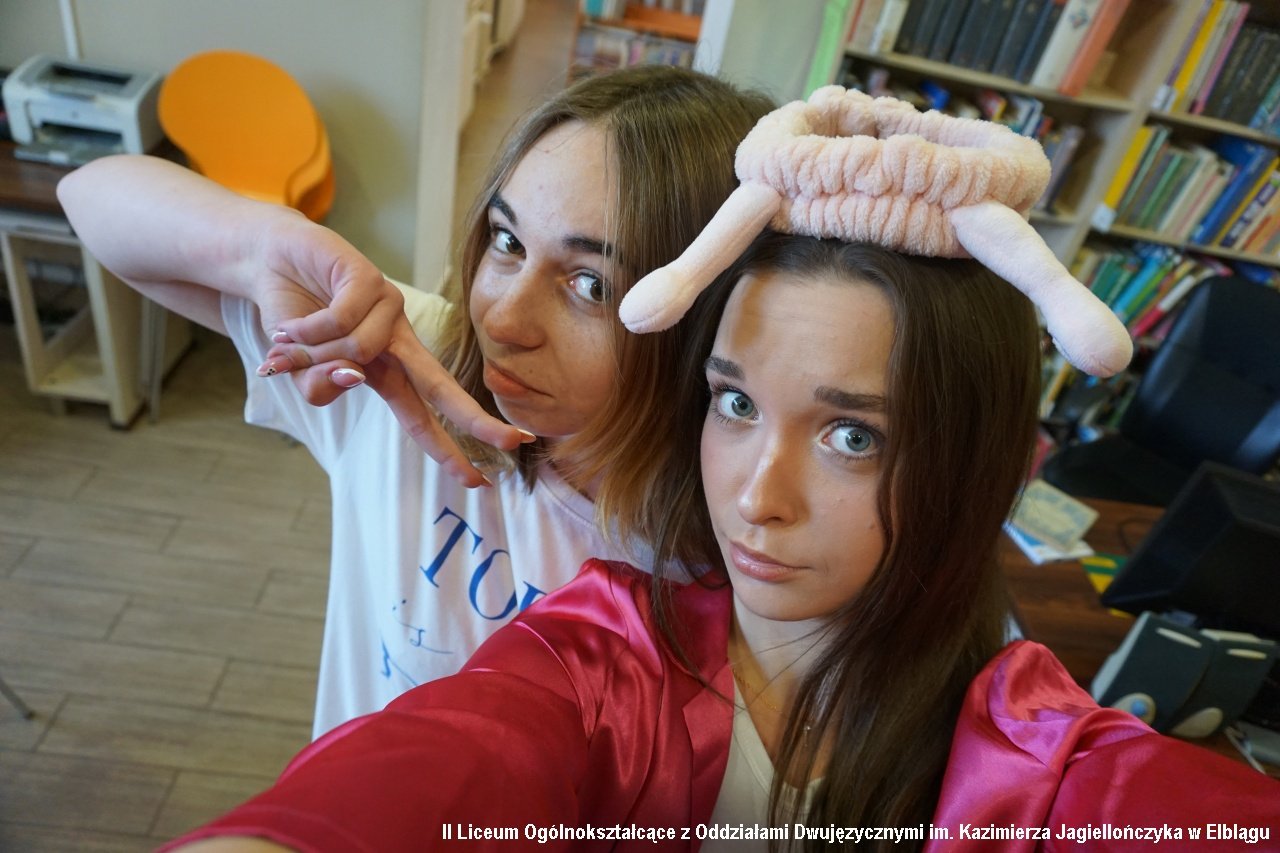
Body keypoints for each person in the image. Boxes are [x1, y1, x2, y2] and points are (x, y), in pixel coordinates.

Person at [158, 233, 1278, 853]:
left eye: (850, 435)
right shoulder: (599, 658)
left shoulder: (1042, 758)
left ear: (972, 466)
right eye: (734, 403)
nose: (755, 494)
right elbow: (442, 762)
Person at [56, 65, 776, 738]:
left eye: (591, 285)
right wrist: (260, 245)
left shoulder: (745, 562)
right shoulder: (400, 366)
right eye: (507, 241)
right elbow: (90, 194)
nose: (503, 319)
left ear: (703, 322)